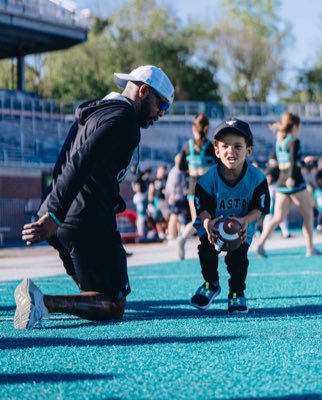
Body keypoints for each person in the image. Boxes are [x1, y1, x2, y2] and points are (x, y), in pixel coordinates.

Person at [15, 65, 174, 330]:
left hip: (69, 218)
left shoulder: (97, 112)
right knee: (114, 305)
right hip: (86, 219)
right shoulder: (124, 120)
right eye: (162, 105)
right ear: (144, 91)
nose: (161, 113)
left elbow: (64, 161)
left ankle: (51, 300)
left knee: (96, 291)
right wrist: (54, 213)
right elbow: (80, 162)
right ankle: (41, 302)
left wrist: (52, 209)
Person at [189, 118, 269, 314]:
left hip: (241, 226)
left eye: (237, 146)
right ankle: (211, 283)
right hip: (213, 225)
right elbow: (202, 207)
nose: (230, 151)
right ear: (216, 151)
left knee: (238, 260)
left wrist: (244, 221)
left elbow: (259, 208)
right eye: (224, 146)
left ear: (248, 150)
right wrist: (208, 223)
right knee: (206, 252)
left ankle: (236, 292)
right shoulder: (207, 180)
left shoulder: (257, 178)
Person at [256, 112, 322, 257]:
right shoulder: (294, 141)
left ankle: (260, 243)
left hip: (281, 182)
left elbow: (285, 160)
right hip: (295, 182)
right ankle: (310, 249)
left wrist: (303, 161)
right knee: (308, 215)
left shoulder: (280, 141)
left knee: (278, 217)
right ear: (295, 126)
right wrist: (292, 177)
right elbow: (293, 161)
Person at [177, 113, 217, 260]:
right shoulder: (211, 147)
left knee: (199, 219)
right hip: (207, 186)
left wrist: (192, 168)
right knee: (205, 219)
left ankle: (184, 239)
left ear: (194, 128)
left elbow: (180, 166)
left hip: (193, 186)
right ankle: (184, 239)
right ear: (207, 128)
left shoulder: (187, 146)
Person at [164, 153, 188, 240]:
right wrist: (172, 196)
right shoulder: (175, 172)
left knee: (178, 217)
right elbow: (172, 186)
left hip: (178, 197)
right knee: (174, 216)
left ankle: (177, 234)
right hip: (175, 198)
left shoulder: (179, 171)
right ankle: (171, 234)